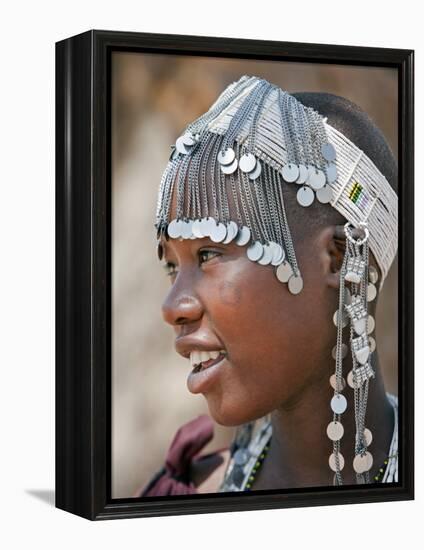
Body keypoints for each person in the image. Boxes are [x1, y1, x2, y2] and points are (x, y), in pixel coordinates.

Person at [136, 75, 398, 496]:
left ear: (339, 258)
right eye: (172, 266)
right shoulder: (181, 498)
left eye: (208, 254)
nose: (173, 307)